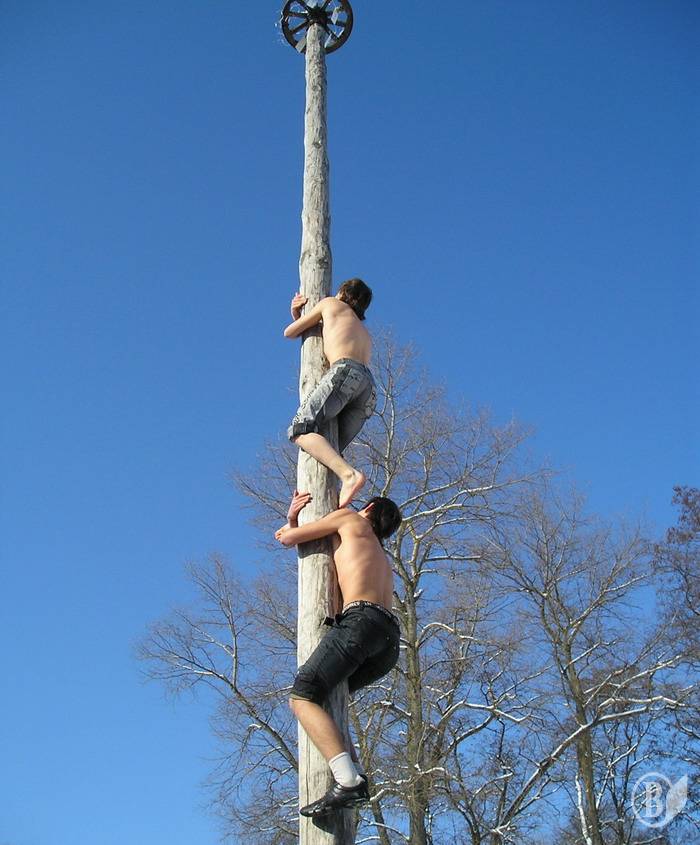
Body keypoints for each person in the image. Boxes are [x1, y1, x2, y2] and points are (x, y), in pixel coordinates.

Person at [275, 489, 403, 816]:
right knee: (332, 700)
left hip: (362, 622)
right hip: (388, 640)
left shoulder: (349, 520)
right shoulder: (377, 552)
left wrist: (292, 517)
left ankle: (348, 781)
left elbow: (288, 538)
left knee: (303, 696)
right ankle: (355, 773)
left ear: (368, 508)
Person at [284, 278, 376, 508]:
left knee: (300, 429)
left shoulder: (330, 304)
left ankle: (349, 476)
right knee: (330, 449)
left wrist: (296, 313)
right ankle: (340, 485)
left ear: (343, 292)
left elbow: (291, 332)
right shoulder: (363, 331)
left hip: (345, 372)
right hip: (368, 388)